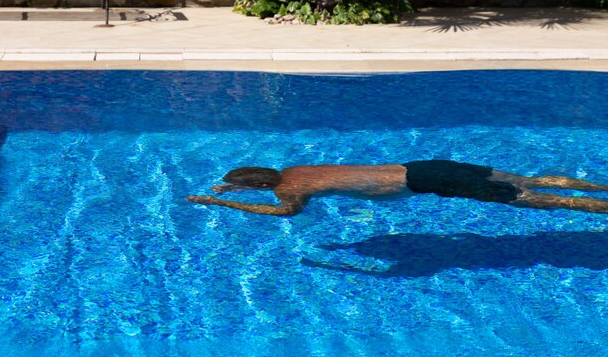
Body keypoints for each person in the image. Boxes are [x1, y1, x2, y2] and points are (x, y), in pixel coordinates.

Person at [185, 160, 608, 216]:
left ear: (263, 185)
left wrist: (216, 202)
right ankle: (601, 187)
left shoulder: (288, 195)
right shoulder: (295, 171)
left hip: (425, 181)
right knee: (525, 179)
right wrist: (239, 188)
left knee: (528, 200)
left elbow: (283, 212)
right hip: (422, 163)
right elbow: (273, 184)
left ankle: (593, 208)